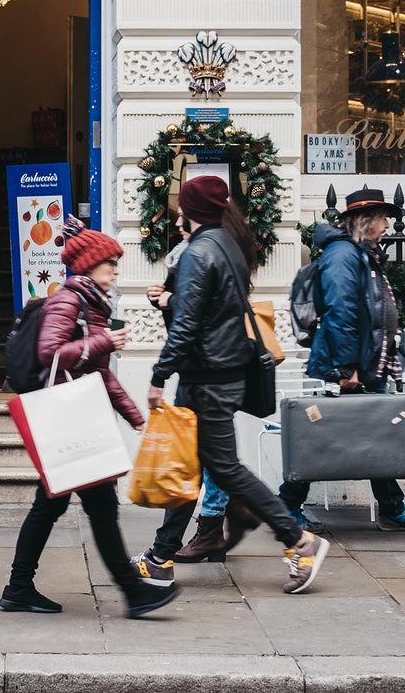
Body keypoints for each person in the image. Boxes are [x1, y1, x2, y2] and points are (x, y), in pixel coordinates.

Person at [140, 176, 329, 595]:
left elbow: (188, 325)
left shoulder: (198, 252)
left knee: (225, 469)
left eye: (181, 207)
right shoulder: (229, 246)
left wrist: (158, 375)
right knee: (186, 468)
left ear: (190, 210)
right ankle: (159, 557)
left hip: (207, 377)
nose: (177, 215)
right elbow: (208, 314)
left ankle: (300, 541)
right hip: (216, 374)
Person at [0, 218, 180, 619]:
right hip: (70, 419)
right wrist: (103, 339)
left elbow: (98, 371)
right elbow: (50, 353)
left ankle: (18, 587)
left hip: (79, 416)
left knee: (50, 507)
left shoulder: (94, 302)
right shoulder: (70, 299)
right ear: (89, 265)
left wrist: (133, 414)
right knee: (99, 507)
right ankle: (133, 592)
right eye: (110, 263)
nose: (116, 269)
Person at [278, 187, 405, 533]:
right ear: (365, 220)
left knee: (373, 435)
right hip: (353, 366)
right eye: (382, 217)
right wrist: (346, 368)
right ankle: (287, 506)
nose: (386, 224)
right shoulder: (343, 255)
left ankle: (392, 509)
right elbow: (341, 312)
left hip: (366, 363)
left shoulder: (362, 254)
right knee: (326, 437)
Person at [143, 222, 232, 563]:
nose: (177, 222)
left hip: (206, 373)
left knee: (200, 464)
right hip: (205, 371)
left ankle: (289, 532)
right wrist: (164, 299)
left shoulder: (206, 251)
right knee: (205, 463)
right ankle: (206, 534)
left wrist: (159, 374)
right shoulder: (197, 251)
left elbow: (201, 311)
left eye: (184, 214)